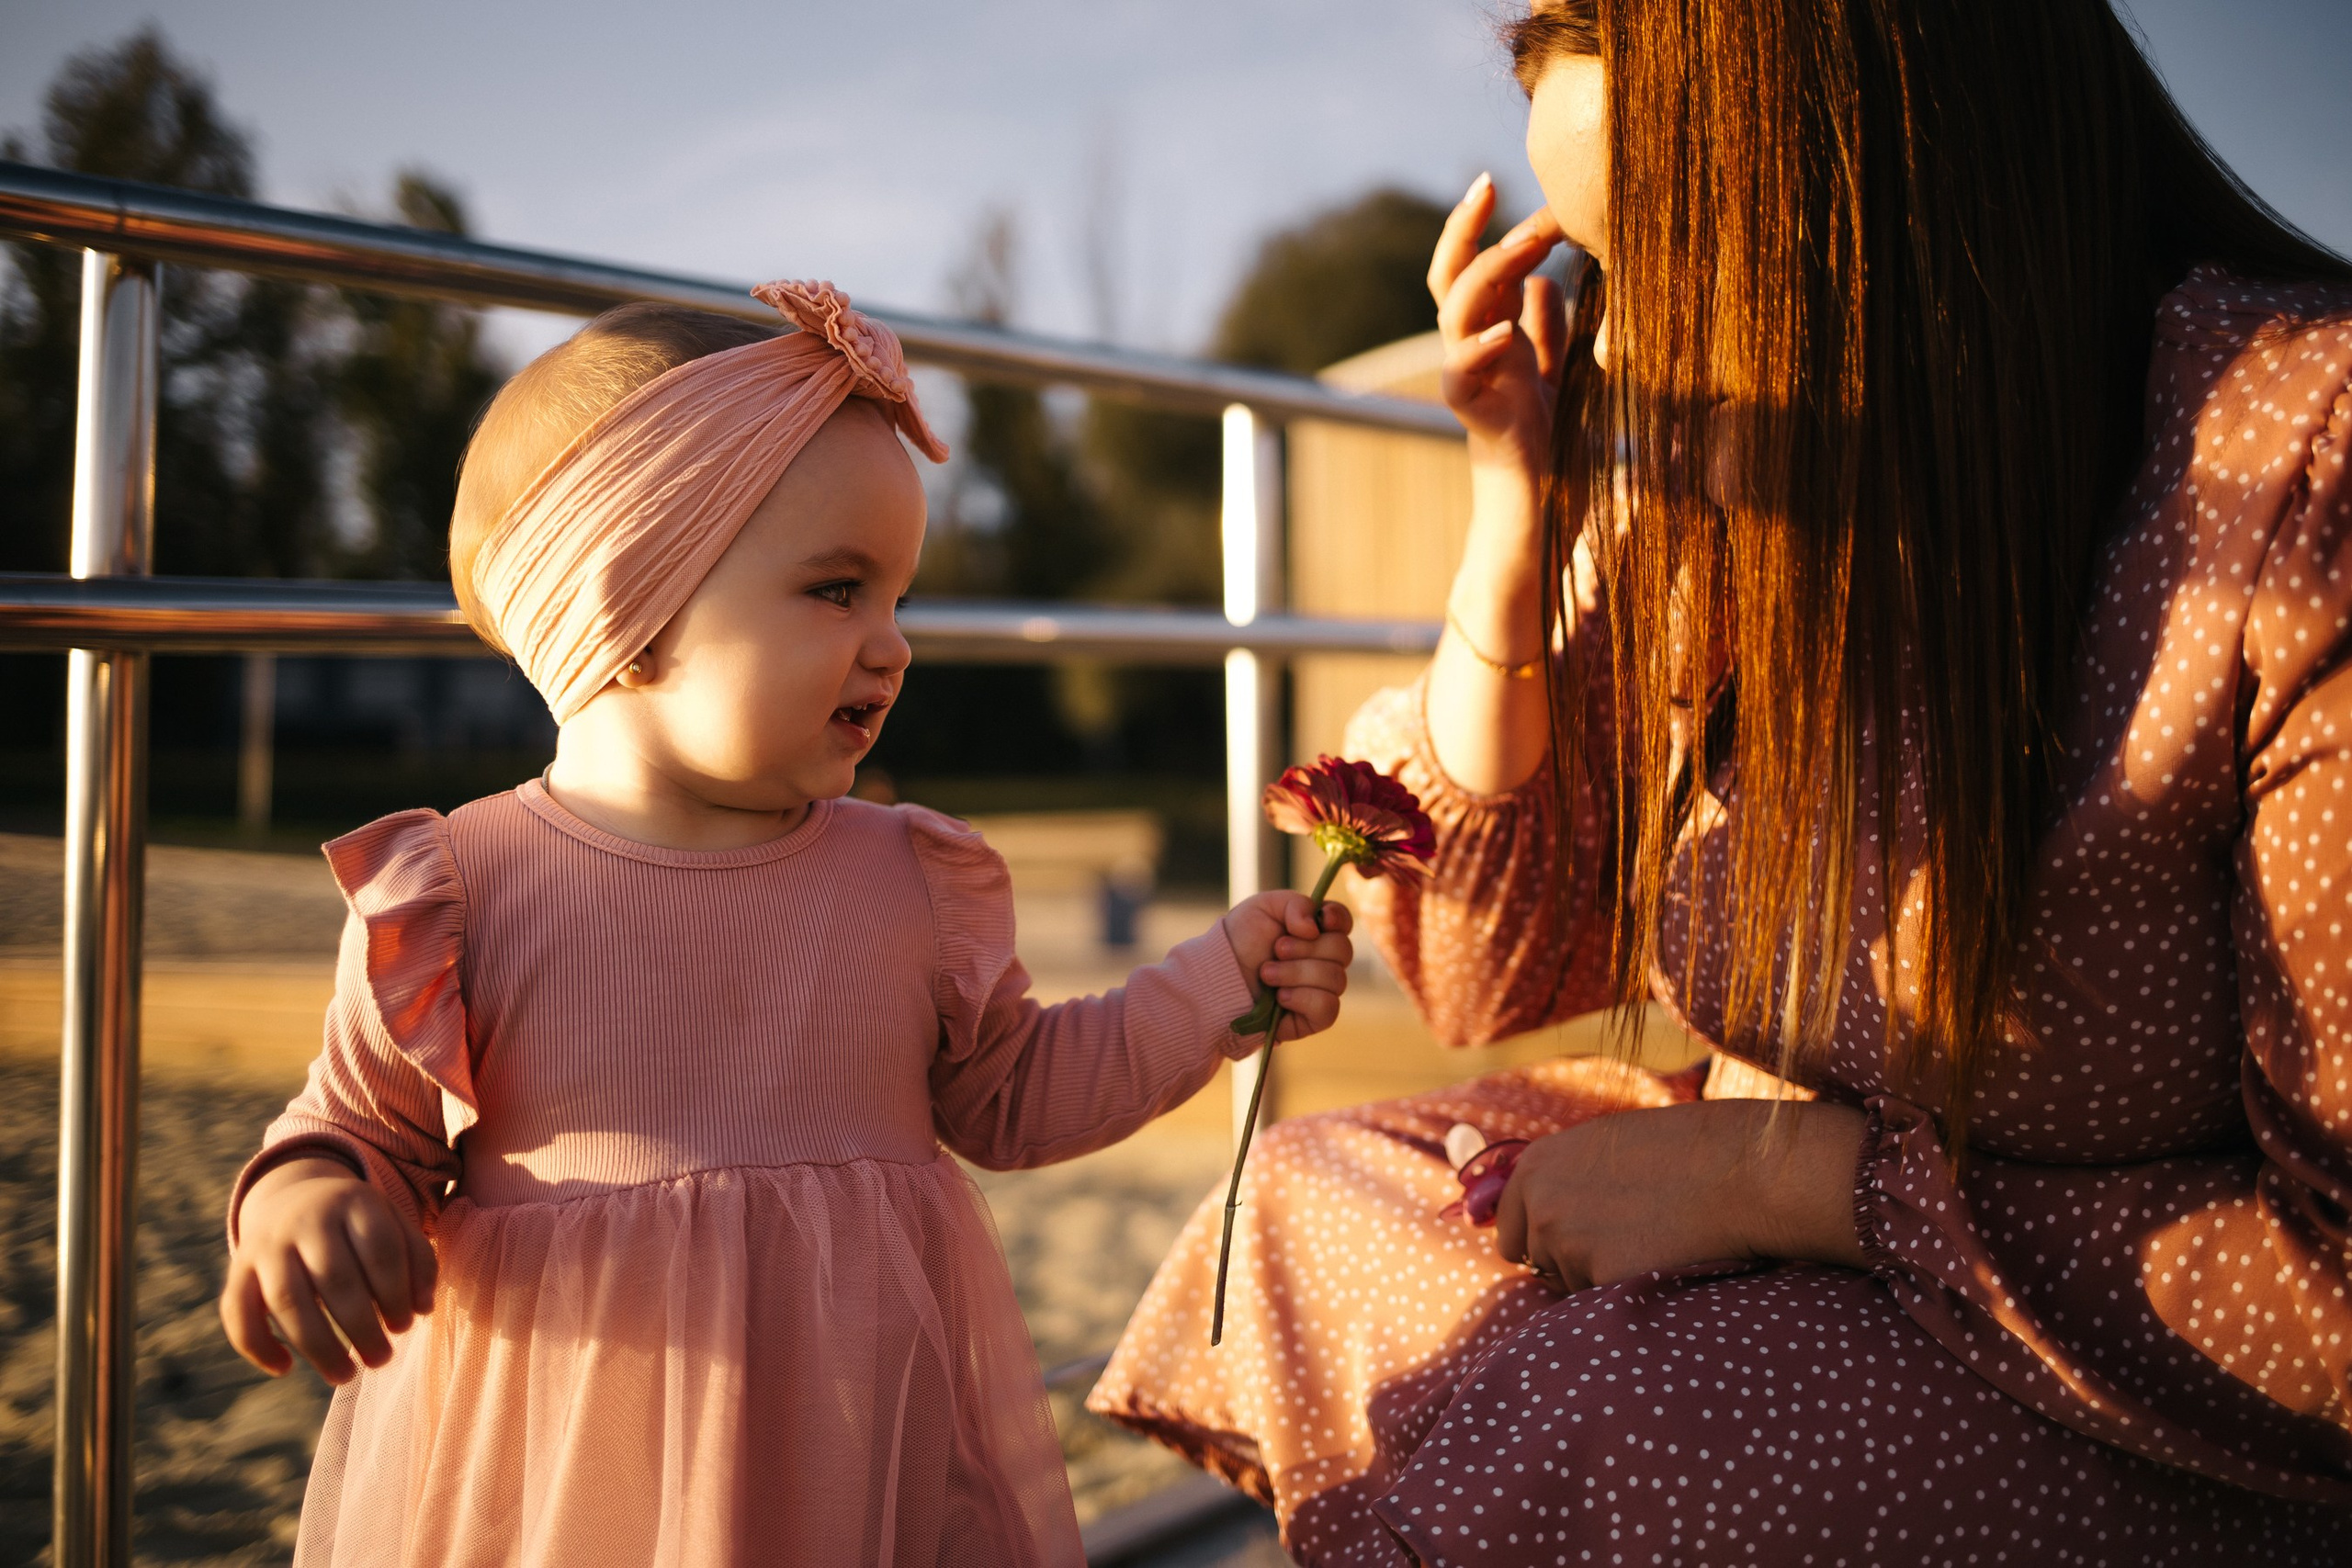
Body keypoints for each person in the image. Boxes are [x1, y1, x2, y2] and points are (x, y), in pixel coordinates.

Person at [1090, 3, 2352, 1563]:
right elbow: (1497, 969)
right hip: (1791, 1229)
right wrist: (1515, 512)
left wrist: (1802, 1182)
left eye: (1664, 264)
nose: (1618, 345)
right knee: (1294, 1199)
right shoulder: (1756, 480)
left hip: (2116, 1361)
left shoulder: (2296, 471)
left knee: (1573, 1423)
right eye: (1594, 274)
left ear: (1890, 207)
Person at [216, 281, 1357, 1568]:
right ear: (624, 606)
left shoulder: (905, 876)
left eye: (898, 599)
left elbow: (1015, 1094)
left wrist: (1212, 985)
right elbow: (356, 1120)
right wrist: (304, 1200)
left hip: (858, 1466)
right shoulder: (459, 891)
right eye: (837, 590)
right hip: (572, 1475)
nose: (894, 646)